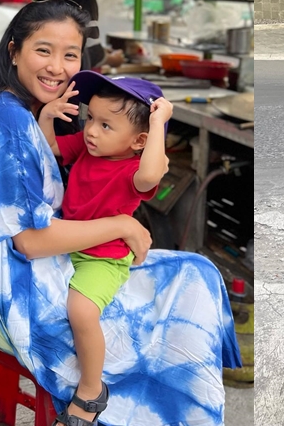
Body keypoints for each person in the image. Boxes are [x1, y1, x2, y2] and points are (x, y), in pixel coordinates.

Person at [0, 0, 240, 426]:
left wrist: (155, 128)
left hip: (48, 269)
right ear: (13, 51)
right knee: (189, 286)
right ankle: (125, 400)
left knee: (196, 271)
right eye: (43, 50)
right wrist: (123, 224)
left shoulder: (14, 112)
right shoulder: (10, 124)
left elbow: (146, 173)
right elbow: (29, 242)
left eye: (70, 55)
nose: (57, 66)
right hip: (21, 298)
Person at [44, 71, 172, 423]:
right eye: (90, 120)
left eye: (105, 126)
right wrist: (47, 116)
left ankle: (90, 390)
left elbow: (150, 176)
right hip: (68, 242)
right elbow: (50, 147)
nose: (90, 131)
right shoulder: (87, 149)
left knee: (81, 311)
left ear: (138, 141)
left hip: (102, 257)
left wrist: (159, 121)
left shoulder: (133, 169)